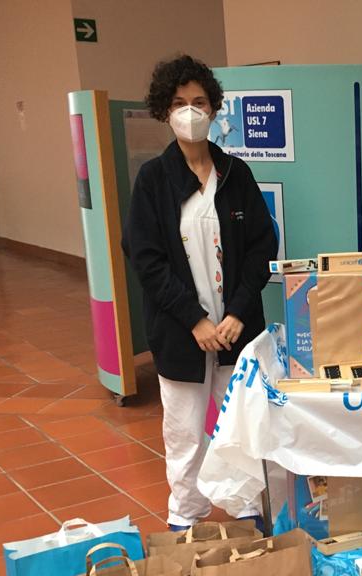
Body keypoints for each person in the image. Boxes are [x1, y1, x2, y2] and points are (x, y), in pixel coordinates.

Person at [123, 55, 275, 531]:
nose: (190, 112)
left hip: (235, 329)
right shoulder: (153, 180)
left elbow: (262, 247)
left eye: (199, 102)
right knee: (185, 432)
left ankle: (247, 508)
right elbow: (146, 258)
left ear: (213, 108)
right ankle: (185, 515)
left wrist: (237, 312)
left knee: (242, 426)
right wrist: (195, 319)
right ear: (164, 111)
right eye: (179, 103)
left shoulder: (235, 174)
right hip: (180, 330)